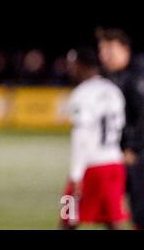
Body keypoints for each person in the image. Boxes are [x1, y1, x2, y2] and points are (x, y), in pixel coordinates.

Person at [61, 47, 129, 230]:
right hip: (114, 164)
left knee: (67, 218)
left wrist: (75, 175)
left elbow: (81, 135)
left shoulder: (82, 94)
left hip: (93, 166)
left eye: (72, 66)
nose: (70, 70)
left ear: (82, 66)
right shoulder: (113, 89)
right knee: (113, 221)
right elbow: (122, 127)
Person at [96, 27, 144, 230]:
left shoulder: (136, 77)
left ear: (125, 49)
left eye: (110, 50)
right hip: (119, 154)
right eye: (101, 50)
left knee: (140, 209)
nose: (104, 56)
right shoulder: (112, 77)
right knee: (110, 205)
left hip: (137, 154)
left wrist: (133, 148)